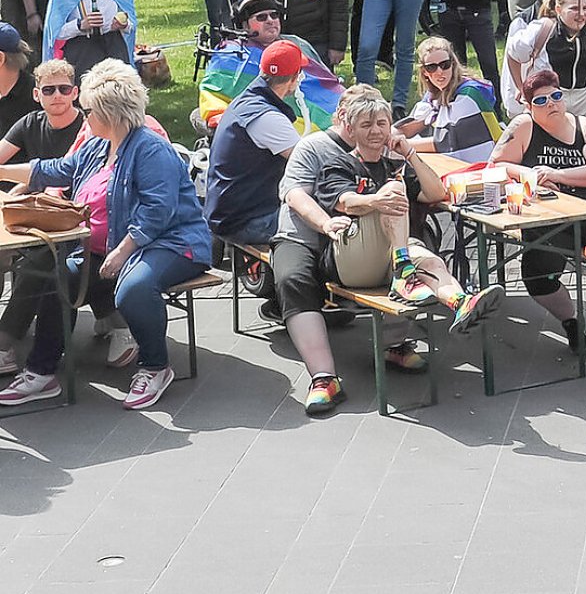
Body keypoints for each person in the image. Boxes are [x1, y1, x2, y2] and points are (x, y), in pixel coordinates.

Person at [275, 84, 502, 413]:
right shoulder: (329, 158)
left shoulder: (392, 160)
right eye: (366, 123)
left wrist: (409, 153)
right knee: (296, 276)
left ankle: (458, 302)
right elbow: (325, 199)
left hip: (376, 247)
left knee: (425, 254)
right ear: (347, 123)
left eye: (381, 123)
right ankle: (323, 376)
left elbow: (435, 192)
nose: (375, 130)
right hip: (332, 247)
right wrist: (356, 208)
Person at [0, 62, 206, 410]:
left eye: (89, 108)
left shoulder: (150, 148)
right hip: (109, 247)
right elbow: (55, 170)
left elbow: (158, 212)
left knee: (134, 288)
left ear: (110, 112)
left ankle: (156, 366)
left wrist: (123, 251)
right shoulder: (98, 145)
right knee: (56, 275)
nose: (83, 113)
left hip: (171, 244)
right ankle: (41, 372)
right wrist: (2, 169)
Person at [489, 70, 586, 354]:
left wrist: (558, 174)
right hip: (550, 224)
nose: (551, 104)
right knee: (538, 275)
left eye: (556, 96)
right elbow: (496, 165)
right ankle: (572, 321)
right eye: (541, 101)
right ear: (528, 107)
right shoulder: (523, 127)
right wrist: (528, 173)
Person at [204, 39, 307, 252]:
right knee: (323, 220)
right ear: (294, 79)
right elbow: (308, 162)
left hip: (226, 213)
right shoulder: (267, 117)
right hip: (246, 221)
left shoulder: (246, 101)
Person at [503, 0, 586, 119]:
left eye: (585, 8)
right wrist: (521, 88)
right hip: (547, 103)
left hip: (584, 104)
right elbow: (513, 53)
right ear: (559, 9)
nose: (581, 14)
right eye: (574, 9)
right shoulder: (542, 29)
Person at [397, 36, 501, 163]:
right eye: (432, 67)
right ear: (424, 72)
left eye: (444, 65)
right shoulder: (434, 94)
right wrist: (388, 136)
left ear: (453, 64)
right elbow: (411, 125)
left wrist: (400, 145)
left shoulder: (470, 94)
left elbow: (445, 141)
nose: (439, 71)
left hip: (488, 161)